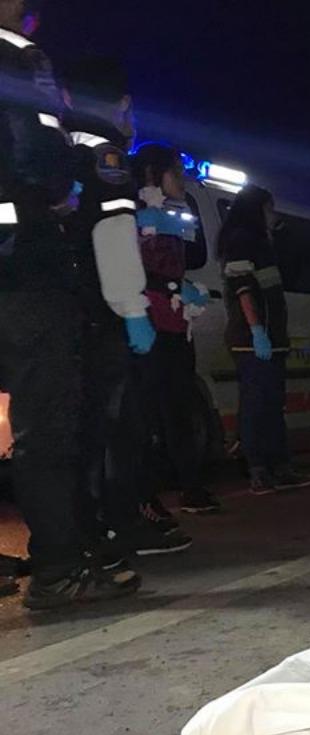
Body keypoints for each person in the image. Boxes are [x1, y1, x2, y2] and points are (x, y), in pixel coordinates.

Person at [0, 0, 139, 608]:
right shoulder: (18, 57)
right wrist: (61, 191)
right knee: (48, 421)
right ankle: (59, 566)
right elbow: (37, 154)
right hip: (25, 267)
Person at [60, 56, 192, 561]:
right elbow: (113, 235)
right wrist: (133, 309)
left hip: (67, 305)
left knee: (84, 428)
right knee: (119, 426)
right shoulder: (106, 153)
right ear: (124, 104)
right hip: (101, 309)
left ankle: (87, 532)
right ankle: (117, 527)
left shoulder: (59, 146)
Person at [132, 143, 220, 514]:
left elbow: (172, 266)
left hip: (175, 325)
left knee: (180, 408)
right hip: (149, 324)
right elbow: (134, 271)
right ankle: (142, 497)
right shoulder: (134, 214)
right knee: (147, 413)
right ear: (153, 174)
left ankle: (191, 487)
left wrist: (182, 289)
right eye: (176, 174)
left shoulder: (173, 214)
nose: (182, 182)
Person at [218, 184, 310, 494]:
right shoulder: (241, 241)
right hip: (251, 339)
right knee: (256, 405)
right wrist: (257, 330)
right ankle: (258, 468)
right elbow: (243, 289)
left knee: (273, 405)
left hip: (272, 337)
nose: (273, 215)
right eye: (269, 209)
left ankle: (280, 466)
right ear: (256, 210)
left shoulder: (263, 244)